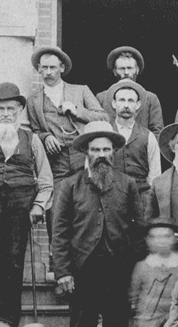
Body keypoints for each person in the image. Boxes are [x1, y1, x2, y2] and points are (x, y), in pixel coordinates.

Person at [51, 121, 145, 327]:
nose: (101, 153)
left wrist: (135, 267)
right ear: (86, 153)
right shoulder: (69, 185)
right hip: (83, 270)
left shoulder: (128, 184)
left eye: (106, 149)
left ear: (114, 152)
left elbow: (139, 228)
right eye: (95, 149)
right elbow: (60, 231)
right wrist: (63, 271)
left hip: (118, 270)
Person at [0, 82, 53, 327]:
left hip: (20, 203)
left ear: (20, 111)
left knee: (14, 259)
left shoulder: (32, 140)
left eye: (11, 109)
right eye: (1, 109)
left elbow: (46, 180)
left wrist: (39, 205)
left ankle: (7, 317)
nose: (6, 114)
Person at [27, 46, 109, 236]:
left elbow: (103, 118)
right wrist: (45, 137)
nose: (48, 72)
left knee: (87, 205)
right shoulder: (34, 100)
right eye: (44, 68)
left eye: (53, 68)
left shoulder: (80, 91)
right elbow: (34, 130)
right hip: (56, 160)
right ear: (39, 69)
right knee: (56, 209)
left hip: (83, 155)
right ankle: (57, 261)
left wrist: (76, 110)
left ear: (62, 68)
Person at [128, 218, 178, 327]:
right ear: (148, 240)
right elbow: (134, 297)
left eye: (166, 236)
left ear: (176, 239)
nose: (160, 241)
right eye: (154, 237)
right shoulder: (142, 267)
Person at [105, 80, 162, 217]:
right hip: (110, 197)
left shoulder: (148, 136)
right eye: (122, 100)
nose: (126, 105)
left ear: (138, 105)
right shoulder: (104, 133)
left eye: (131, 101)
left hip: (141, 198)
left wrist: (148, 201)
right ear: (114, 104)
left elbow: (154, 174)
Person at [95, 46, 164, 136]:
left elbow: (157, 132)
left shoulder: (150, 98)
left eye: (130, 68)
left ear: (137, 70)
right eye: (122, 69)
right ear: (115, 72)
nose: (126, 72)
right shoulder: (102, 98)